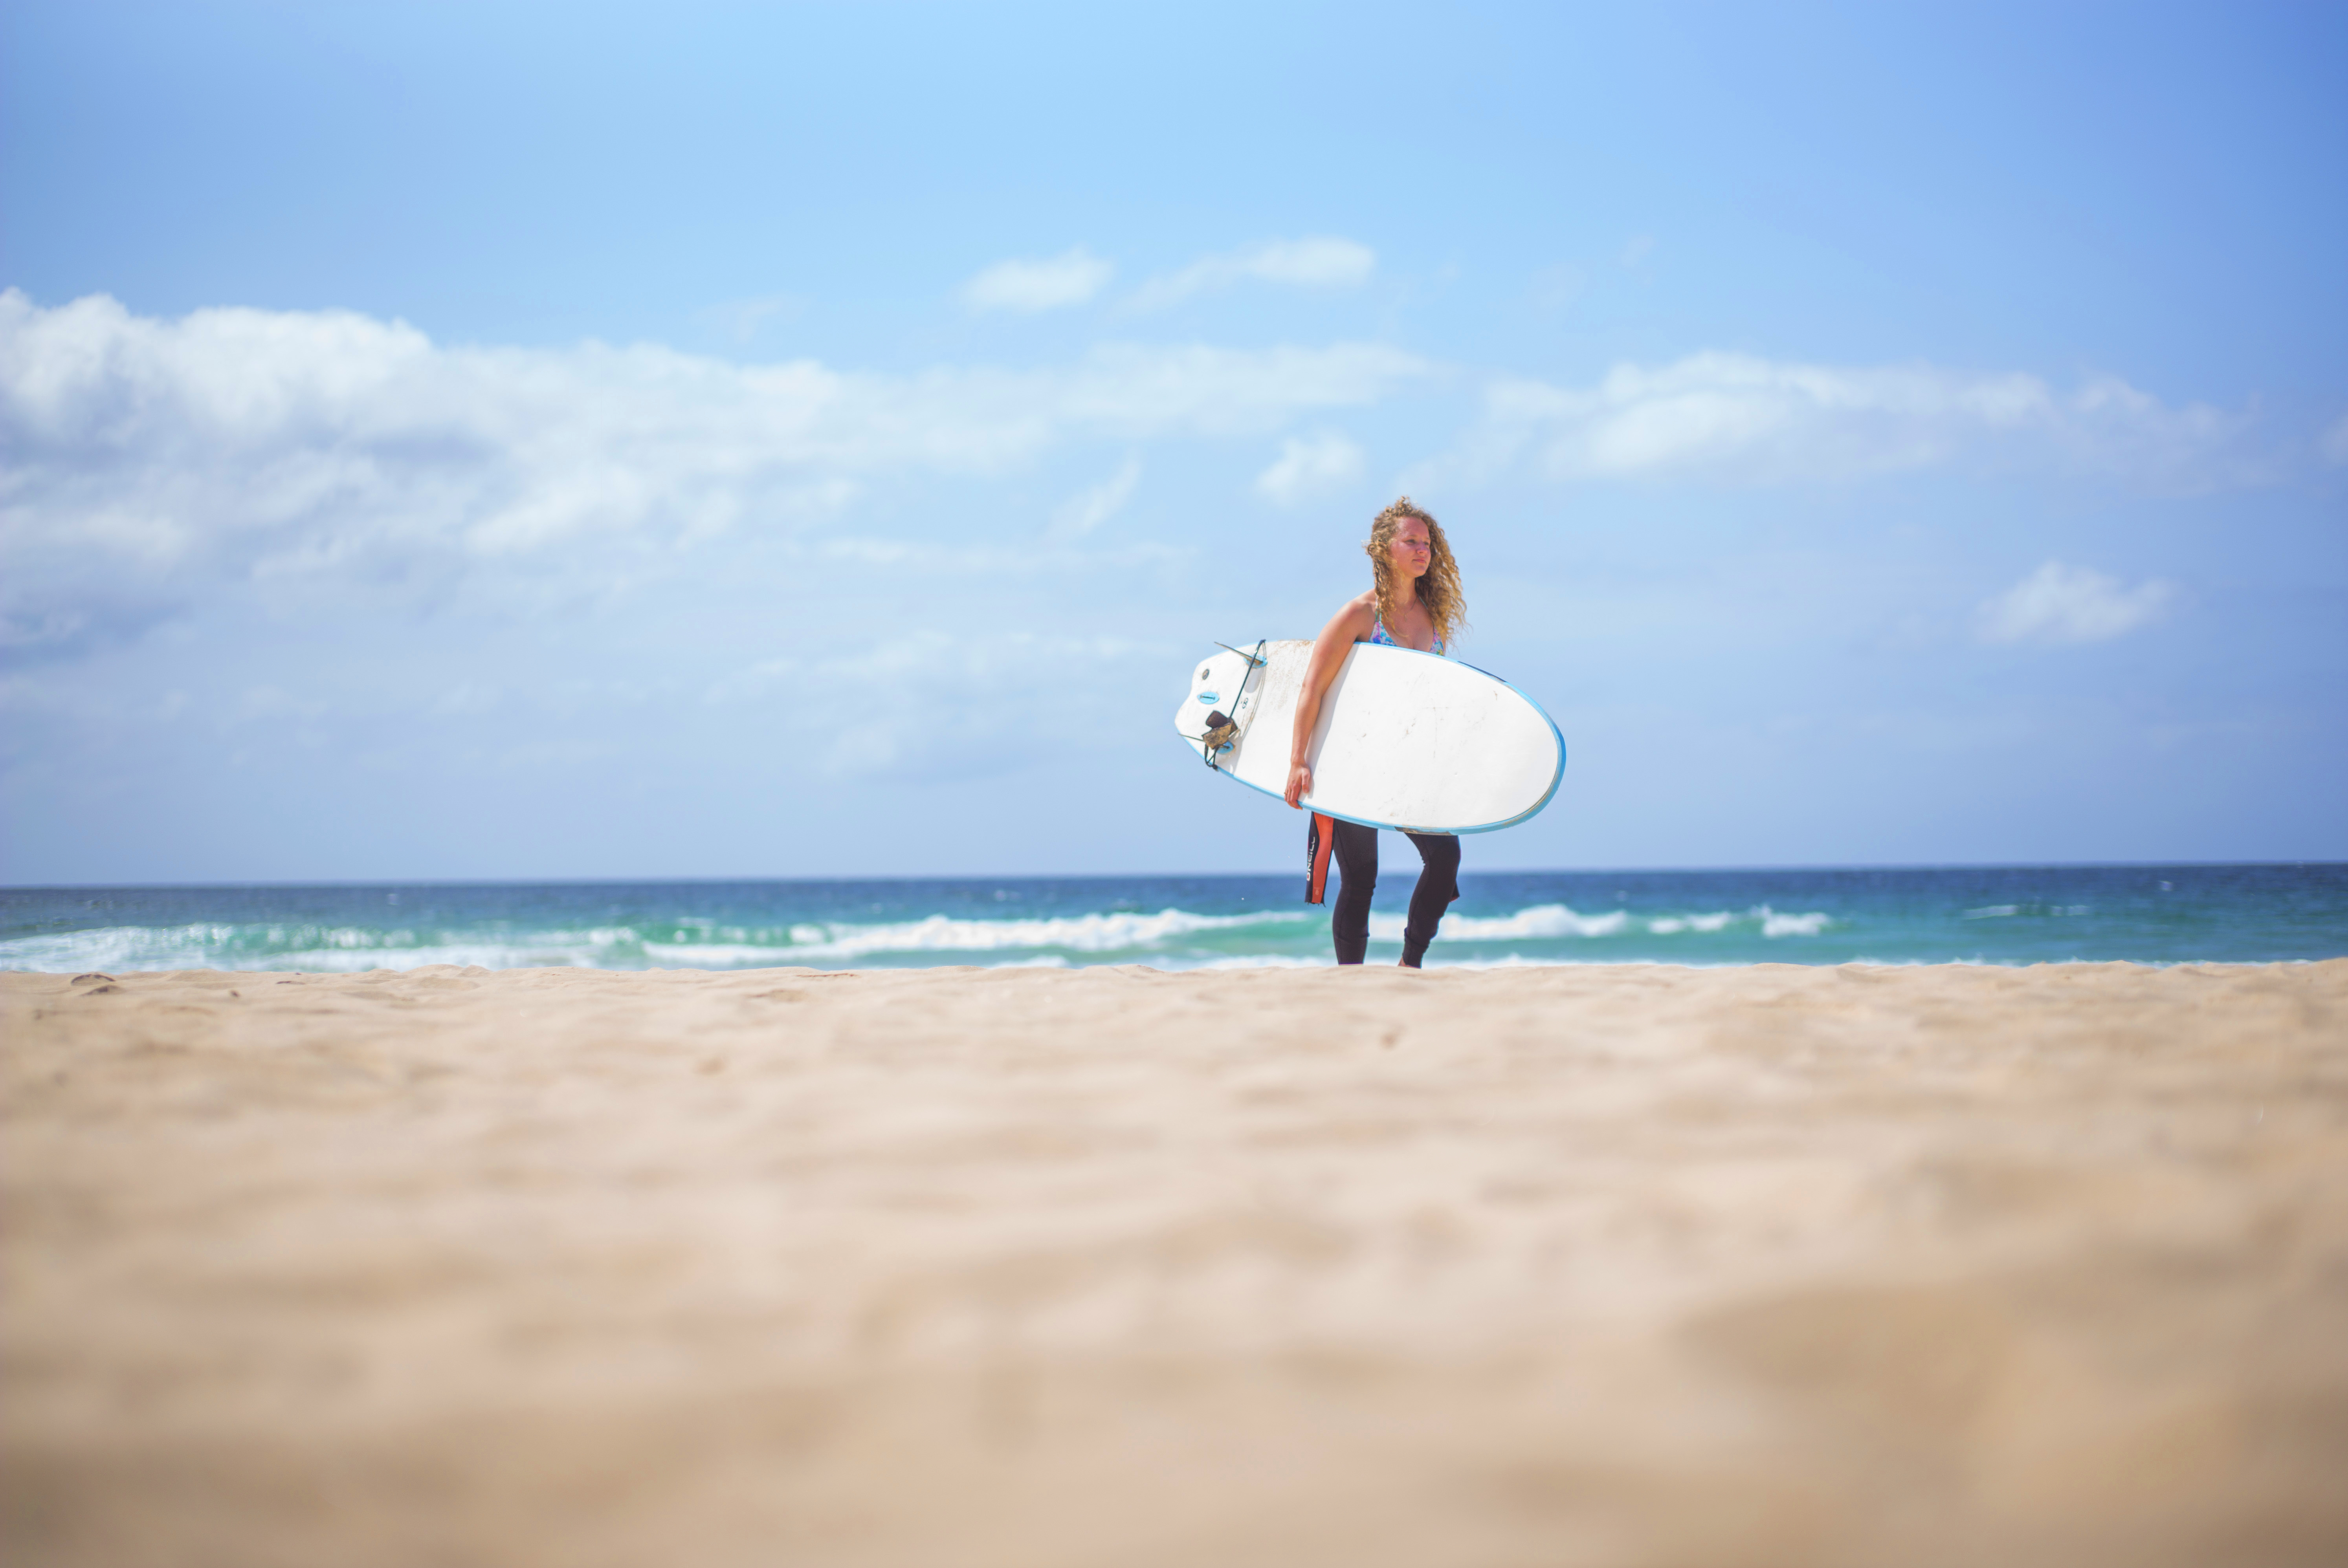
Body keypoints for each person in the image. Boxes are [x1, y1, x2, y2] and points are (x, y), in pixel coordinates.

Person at [1282, 496, 1467, 968]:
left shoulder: (1434, 616)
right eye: (1411, 541)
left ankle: (1411, 964)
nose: (1422, 550)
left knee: (1445, 856)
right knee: (1361, 875)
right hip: (1355, 761)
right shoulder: (1360, 616)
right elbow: (1312, 687)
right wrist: (1298, 760)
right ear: (1384, 549)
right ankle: (1352, 979)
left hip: (1410, 764)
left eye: (1427, 543)